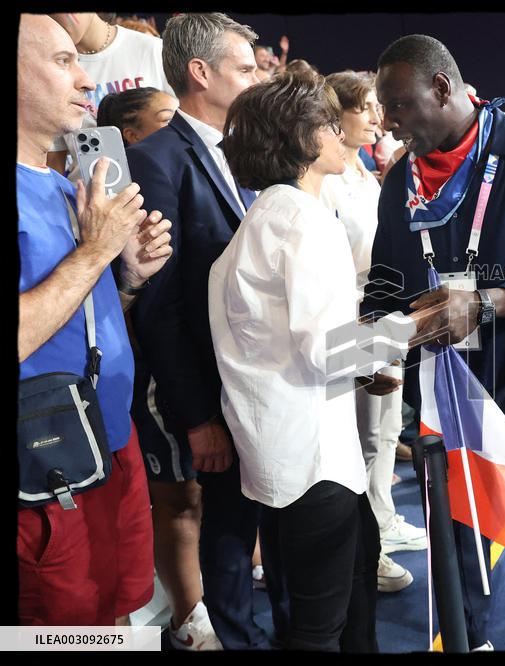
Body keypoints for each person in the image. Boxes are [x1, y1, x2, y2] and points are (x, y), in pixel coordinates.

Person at [366, 34, 505, 652]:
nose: (389, 122)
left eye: (399, 105)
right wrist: (378, 343)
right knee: (453, 513)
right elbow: (388, 276)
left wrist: (492, 301)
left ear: (442, 88)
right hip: (443, 369)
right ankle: (470, 634)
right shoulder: (399, 182)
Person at [210, 70, 418, 652]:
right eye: (328, 122)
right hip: (313, 460)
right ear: (302, 139)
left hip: (288, 453)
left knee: (330, 606)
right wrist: (417, 327)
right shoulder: (303, 221)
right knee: (319, 626)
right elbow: (331, 352)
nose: (338, 131)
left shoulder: (269, 217)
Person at [125, 13, 290, 650]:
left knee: (270, 527)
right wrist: (196, 417)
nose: (256, 79)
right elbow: (160, 306)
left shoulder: (252, 151)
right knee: (225, 531)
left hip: (268, 384)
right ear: (201, 73)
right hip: (212, 391)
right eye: (245, 68)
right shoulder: (156, 160)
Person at [17, 13, 173, 626]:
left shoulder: (60, 185)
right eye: (62, 61)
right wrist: (95, 254)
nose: (86, 79)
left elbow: (82, 316)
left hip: (108, 443)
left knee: (113, 618)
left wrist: (127, 276)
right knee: (56, 631)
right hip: (44, 468)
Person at [96, 86, 223, 648]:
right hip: (146, 368)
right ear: (130, 134)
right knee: (178, 495)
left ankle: (206, 604)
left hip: (175, 361)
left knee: (199, 492)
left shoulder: (179, 170)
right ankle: (188, 619)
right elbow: (148, 299)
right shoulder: (143, 172)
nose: (177, 130)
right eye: (163, 119)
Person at [320, 69, 426, 592]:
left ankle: (382, 518)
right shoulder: (327, 179)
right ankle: (368, 547)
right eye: (363, 106)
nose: (375, 117)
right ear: (334, 114)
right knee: (360, 436)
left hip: (382, 310)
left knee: (385, 431)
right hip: (350, 317)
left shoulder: (364, 173)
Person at [48, 12, 174, 176]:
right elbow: (54, 160)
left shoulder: (153, 50)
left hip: (160, 184)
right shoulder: (52, 71)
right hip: (90, 195)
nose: (51, 20)